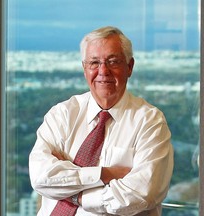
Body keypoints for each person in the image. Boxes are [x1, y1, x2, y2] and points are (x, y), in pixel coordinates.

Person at [29, 26, 174, 215]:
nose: (103, 71)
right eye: (94, 63)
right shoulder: (62, 114)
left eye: (113, 61)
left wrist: (76, 195)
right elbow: (41, 177)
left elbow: (142, 193)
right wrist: (106, 174)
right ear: (84, 69)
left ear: (129, 67)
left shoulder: (149, 121)